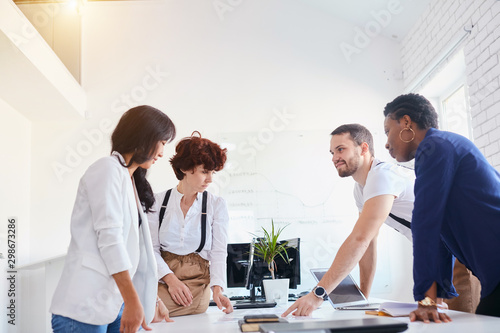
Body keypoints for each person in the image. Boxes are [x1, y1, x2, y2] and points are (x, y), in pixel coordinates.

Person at [50, 105, 176, 333]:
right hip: (84, 308)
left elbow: (135, 253)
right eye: (163, 142)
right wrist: (133, 301)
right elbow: (110, 239)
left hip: (112, 304)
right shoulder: (107, 169)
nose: (162, 153)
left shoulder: (130, 181)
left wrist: (148, 301)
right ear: (144, 136)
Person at [383, 93, 500, 322]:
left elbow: (425, 224)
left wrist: (426, 301)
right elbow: (437, 231)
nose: (386, 142)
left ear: (406, 122)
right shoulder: (441, 146)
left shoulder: (434, 147)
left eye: (387, 130)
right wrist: (434, 296)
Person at [283, 124, 415, 317]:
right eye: (332, 152)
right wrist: (363, 298)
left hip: (456, 250)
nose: (334, 158)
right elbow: (368, 242)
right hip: (437, 254)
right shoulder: (361, 189)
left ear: (363, 148)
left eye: (340, 149)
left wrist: (317, 295)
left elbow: (359, 239)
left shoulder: (382, 176)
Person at [148, 131, 234, 317]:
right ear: (186, 168)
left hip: (195, 285)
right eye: (205, 172)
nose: (210, 179)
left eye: (212, 172)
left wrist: (217, 289)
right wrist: (170, 280)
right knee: (138, 307)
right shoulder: (157, 202)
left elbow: (218, 252)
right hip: (160, 278)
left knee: (147, 312)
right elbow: (150, 249)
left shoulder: (216, 205)